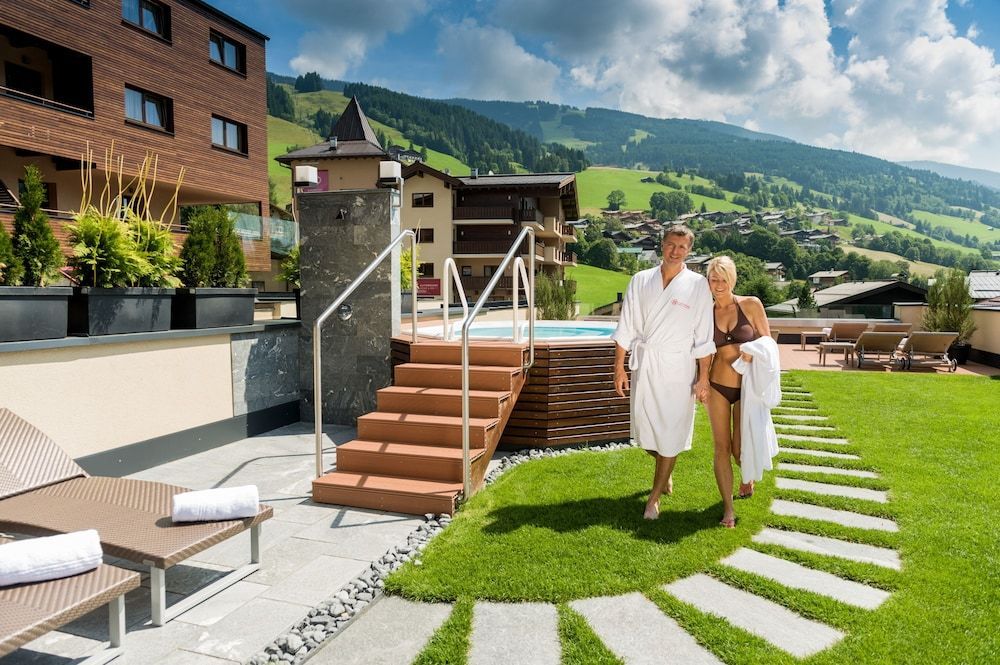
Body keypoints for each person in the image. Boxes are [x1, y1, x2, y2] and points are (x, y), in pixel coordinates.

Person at [612, 226, 716, 520]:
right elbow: (626, 325)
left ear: (689, 251)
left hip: (678, 369)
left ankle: (654, 498)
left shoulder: (697, 285)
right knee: (645, 434)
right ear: (662, 245)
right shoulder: (640, 279)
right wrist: (619, 367)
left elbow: (704, 337)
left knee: (670, 432)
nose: (675, 251)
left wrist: (703, 377)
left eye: (682, 247)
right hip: (645, 365)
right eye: (671, 245)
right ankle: (666, 470)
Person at [704, 256, 771, 528]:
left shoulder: (751, 305)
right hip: (717, 386)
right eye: (714, 279)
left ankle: (748, 476)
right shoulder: (705, 313)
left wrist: (755, 352)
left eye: (724, 279)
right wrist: (701, 381)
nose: (719, 285)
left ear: (732, 280)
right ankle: (728, 509)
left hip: (747, 388)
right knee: (721, 448)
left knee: (738, 449)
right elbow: (702, 352)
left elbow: (768, 342)